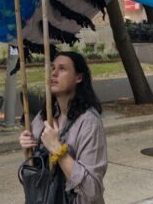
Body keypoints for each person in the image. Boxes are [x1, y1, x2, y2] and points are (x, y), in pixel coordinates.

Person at [18, 51, 107, 204]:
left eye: (62, 68)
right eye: (53, 68)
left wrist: (56, 148)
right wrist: (27, 145)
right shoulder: (43, 116)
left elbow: (92, 190)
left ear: (78, 77)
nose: (54, 73)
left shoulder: (89, 122)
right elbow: (36, 168)